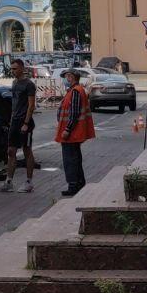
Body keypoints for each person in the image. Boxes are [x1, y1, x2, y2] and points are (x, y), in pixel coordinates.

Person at [0, 59, 39, 192]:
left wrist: (26, 123)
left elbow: (31, 105)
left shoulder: (29, 85)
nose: (12, 71)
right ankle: (8, 182)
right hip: (15, 122)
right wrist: (11, 120)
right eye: (12, 69)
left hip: (24, 122)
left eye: (15, 69)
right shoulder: (15, 83)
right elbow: (14, 104)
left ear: (21, 68)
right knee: (11, 151)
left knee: (27, 150)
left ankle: (29, 182)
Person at [54, 68, 95, 197]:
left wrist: (67, 129)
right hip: (73, 133)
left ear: (72, 77)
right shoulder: (74, 90)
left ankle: (73, 185)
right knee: (75, 158)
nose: (66, 79)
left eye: (67, 76)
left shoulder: (76, 91)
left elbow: (74, 112)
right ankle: (79, 183)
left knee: (70, 160)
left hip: (72, 134)